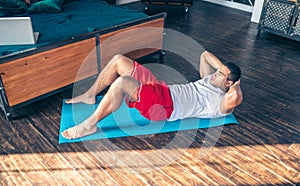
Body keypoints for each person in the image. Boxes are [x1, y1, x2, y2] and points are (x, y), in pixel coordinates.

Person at [62, 51, 243, 139]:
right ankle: (90, 95)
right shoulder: (208, 79)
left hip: (165, 107)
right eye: (216, 71)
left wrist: (236, 83)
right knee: (119, 60)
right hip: (162, 90)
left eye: (219, 74)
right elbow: (204, 55)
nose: (214, 74)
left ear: (228, 84)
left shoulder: (221, 102)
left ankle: (89, 125)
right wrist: (221, 70)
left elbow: (235, 96)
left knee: (123, 83)